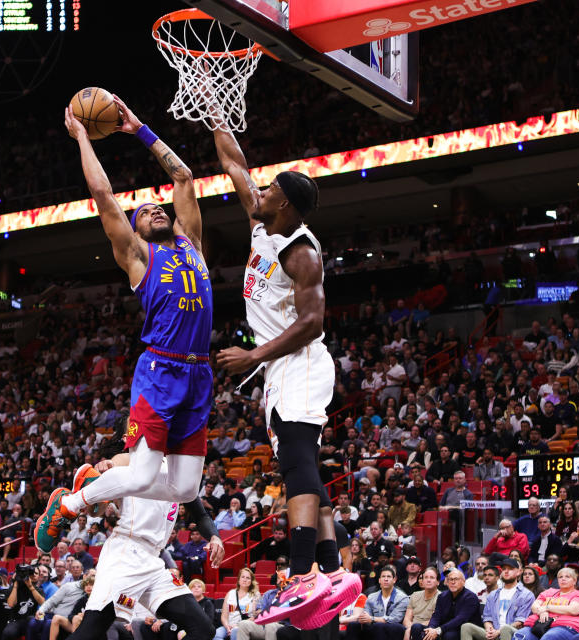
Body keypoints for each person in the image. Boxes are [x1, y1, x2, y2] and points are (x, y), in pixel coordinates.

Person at [40, 97, 213, 551]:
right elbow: (103, 196)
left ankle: (99, 480)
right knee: (140, 473)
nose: (156, 209)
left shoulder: (192, 243)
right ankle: (70, 505)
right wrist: (82, 136)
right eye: (145, 212)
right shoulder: (138, 256)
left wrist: (140, 130)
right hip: (160, 371)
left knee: (187, 490)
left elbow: (183, 177)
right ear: (133, 231)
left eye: (160, 208)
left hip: (199, 373)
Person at [212, 110, 346, 626]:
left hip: (299, 360)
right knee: (304, 465)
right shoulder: (262, 219)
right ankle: (331, 570)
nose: (257, 191)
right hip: (281, 365)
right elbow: (233, 162)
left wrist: (252, 355)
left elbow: (313, 322)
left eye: (267, 190)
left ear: (284, 202)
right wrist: (213, 111)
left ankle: (302, 572)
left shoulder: (301, 253)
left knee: (295, 461)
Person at [68, 451, 223, 640]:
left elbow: (201, 516)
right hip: (125, 554)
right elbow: (99, 505)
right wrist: (106, 467)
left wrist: (215, 537)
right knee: (90, 631)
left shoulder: (178, 472)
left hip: (153, 560)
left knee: (203, 629)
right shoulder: (130, 459)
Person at [460, 558, 535, 640]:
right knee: (466, 627)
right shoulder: (493, 595)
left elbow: (520, 622)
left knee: (505, 629)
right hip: (494, 632)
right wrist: (489, 629)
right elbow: (487, 617)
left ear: (519, 572)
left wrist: (499, 631)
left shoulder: (526, 595)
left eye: (510, 569)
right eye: (504, 569)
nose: (506, 571)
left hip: (514, 634)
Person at [513, 567, 579, 640]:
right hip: (539, 625)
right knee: (520, 636)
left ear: (574, 581)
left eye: (567, 577)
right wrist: (542, 612)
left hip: (565, 626)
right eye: (560, 577)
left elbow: (573, 610)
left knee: (549, 637)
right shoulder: (549, 592)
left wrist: (547, 608)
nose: (563, 579)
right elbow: (534, 606)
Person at [341, 564, 408, 640]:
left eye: (389, 577)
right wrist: (364, 618)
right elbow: (367, 616)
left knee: (378, 626)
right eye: (383, 576)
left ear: (394, 580)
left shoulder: (402, 597)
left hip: (394, 629)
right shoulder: (371, 597)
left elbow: (395, 619)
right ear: (379, 580)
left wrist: (372, 619)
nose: (386, 579)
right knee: (353, 625)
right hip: (375, 627)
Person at [410, 569, 482, 640]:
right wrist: (431, 628)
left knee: (449, 635)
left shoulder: (470, 597)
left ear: (463, 582)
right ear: (447, 582)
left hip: (461, 630)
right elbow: (436, 615)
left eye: (456, 579)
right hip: (442, 629)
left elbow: (461, 619)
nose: (453, 582)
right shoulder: (443, 596)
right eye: (450, 579)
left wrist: (439, 630)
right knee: (417, 627)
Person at [216, 569, 260, 640]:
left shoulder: (255, 595)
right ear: (239, 579)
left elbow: (255, 617)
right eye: (242, 577)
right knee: (217, 634)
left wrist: (237, 625)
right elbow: (224, 616)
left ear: (251, 581)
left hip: (245, 626)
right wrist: (227, 627)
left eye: (248, 578)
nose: (245, 580)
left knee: (235, 632)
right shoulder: (230, 593)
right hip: (229, 625)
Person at [403, 566, 441, 640]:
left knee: (416, 628)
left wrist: (412, 628)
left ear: (438, 582)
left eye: (432, 578)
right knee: (394, 628)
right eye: (426, 577)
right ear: (422, 581)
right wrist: (410, 628)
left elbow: (435, 620)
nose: (428, 580)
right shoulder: (415, 595)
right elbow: (406, 619)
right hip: (412, 626)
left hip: (430, 628)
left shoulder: (441, 597)